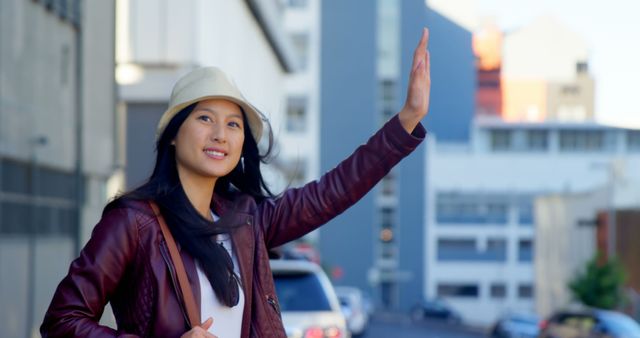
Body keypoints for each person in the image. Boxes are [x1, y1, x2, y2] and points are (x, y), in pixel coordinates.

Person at [40, 28, 431, 338]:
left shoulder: (247, 220)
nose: (220, 135)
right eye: (205, 118)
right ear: (174, 134)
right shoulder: (133, 222)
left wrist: (406, 121)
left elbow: (332, 192)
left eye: (233, 124)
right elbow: (62, 320)